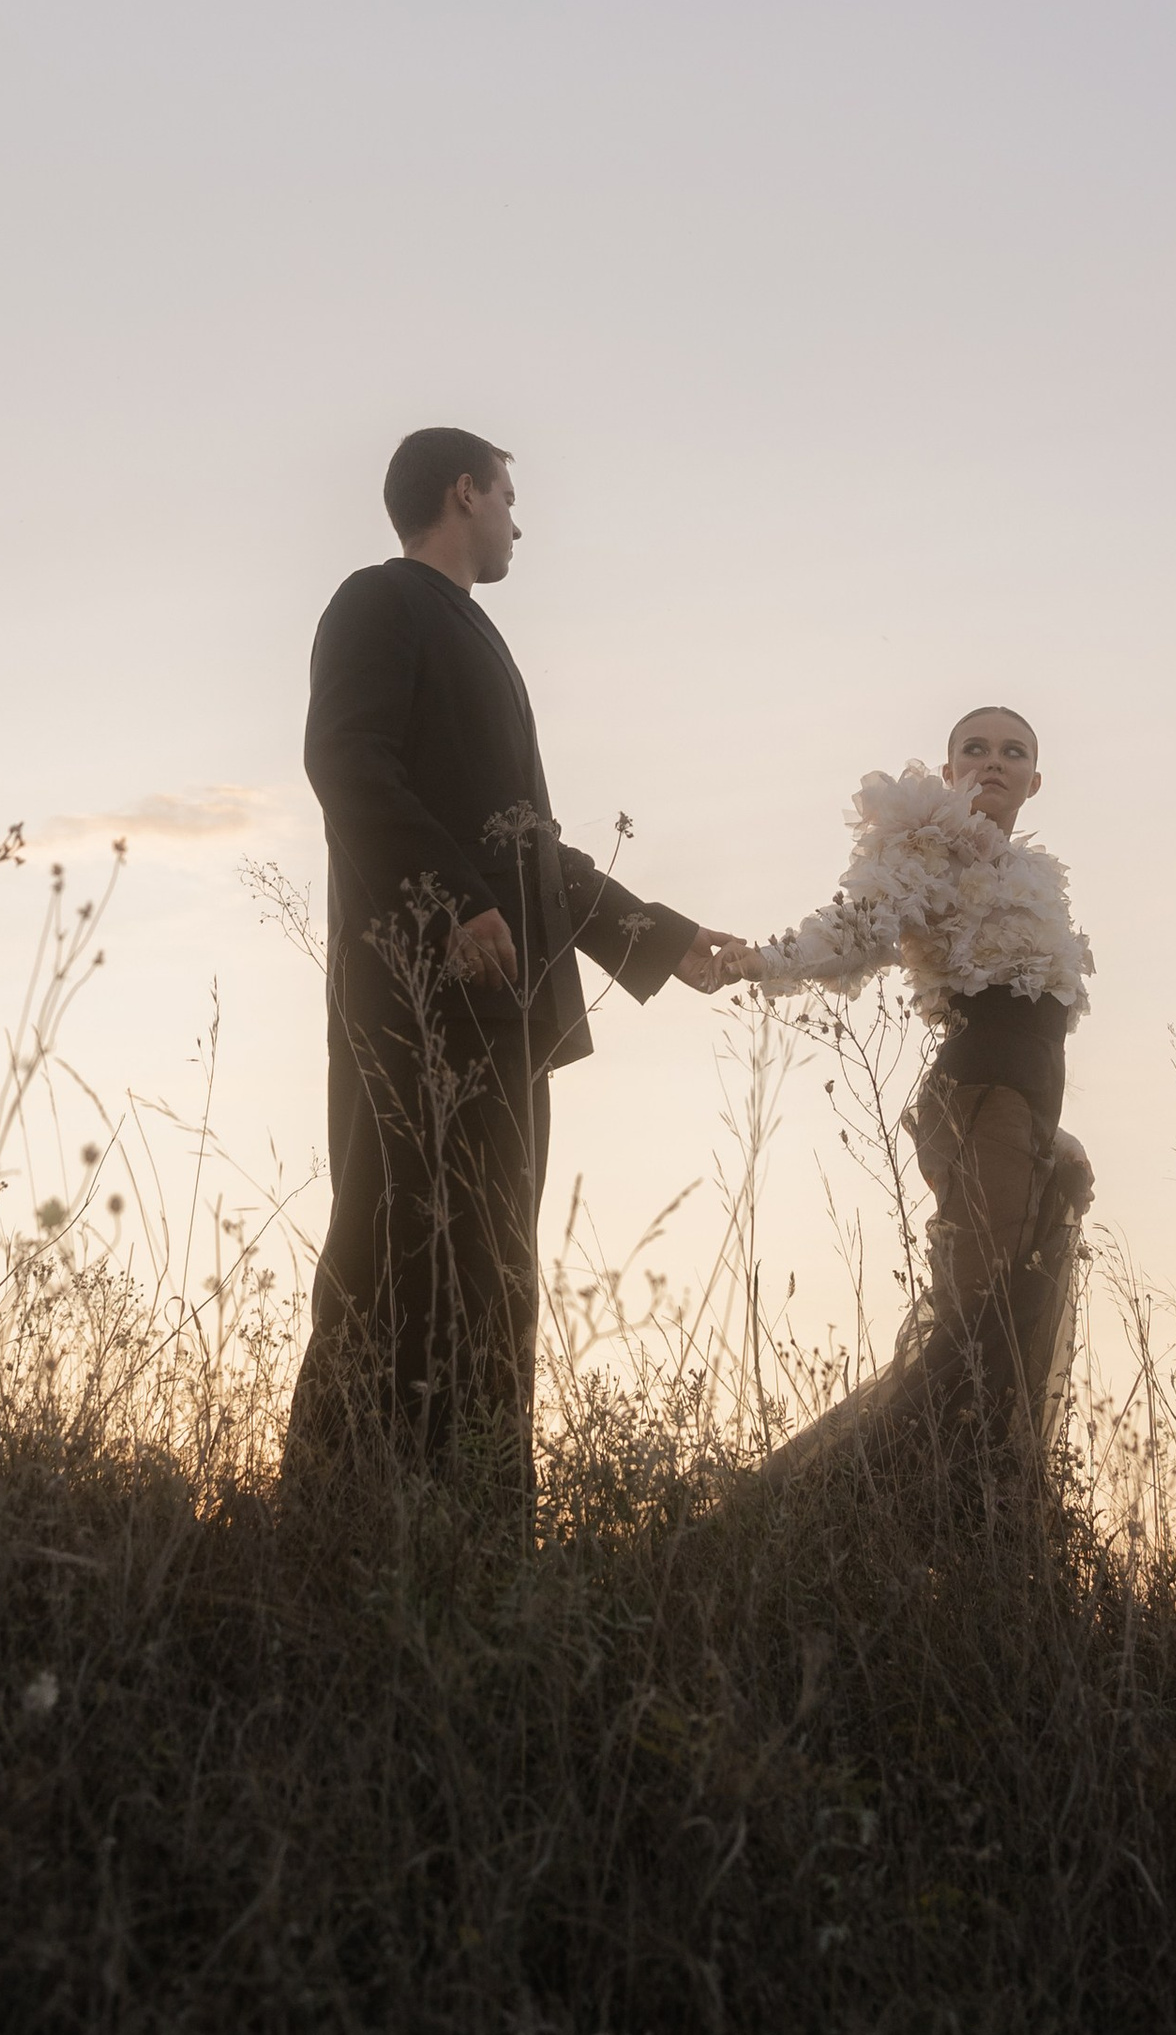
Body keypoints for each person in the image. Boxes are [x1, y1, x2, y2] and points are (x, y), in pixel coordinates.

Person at [283, 429, 752, 1498]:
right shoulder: (380, 601)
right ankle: (336, 1533)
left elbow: (527, 842)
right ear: (465, 492)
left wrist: (666, 942)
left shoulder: (471, 632)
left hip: (493, 1015)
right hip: (414, 1001)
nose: (518, 523)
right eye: (508, 497)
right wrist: (451, 904)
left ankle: (477, 1544)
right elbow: (344, 762)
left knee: (490, 1277)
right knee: (395, 1254)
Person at [746, 706, 1094, 1481]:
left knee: (1001, 1315)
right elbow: (862, 925)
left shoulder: (1027, 875)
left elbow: (1035, 1015)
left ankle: (963, 1510)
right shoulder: (928, 844)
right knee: (979, 1320)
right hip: (982, 1097)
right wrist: (764, 962)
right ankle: (849, 1504)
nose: (993, 762)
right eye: (975, 749)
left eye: (1013, 752)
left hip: (1022, 1104)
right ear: (948, 772)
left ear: (1036, 781)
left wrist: (1050, 1131)